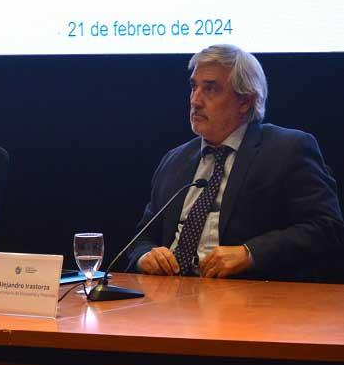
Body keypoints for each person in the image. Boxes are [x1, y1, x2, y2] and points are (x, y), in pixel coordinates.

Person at [128, 44, 343, 281]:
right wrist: (146, 256)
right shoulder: (175, 160)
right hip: (169, 299)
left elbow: (327, 227)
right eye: (193, 87)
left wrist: (249, 253)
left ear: (245, 102)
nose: (195, 101)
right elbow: (142, 239)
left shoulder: (287, 149)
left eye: (211, 89)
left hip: (248, 300)